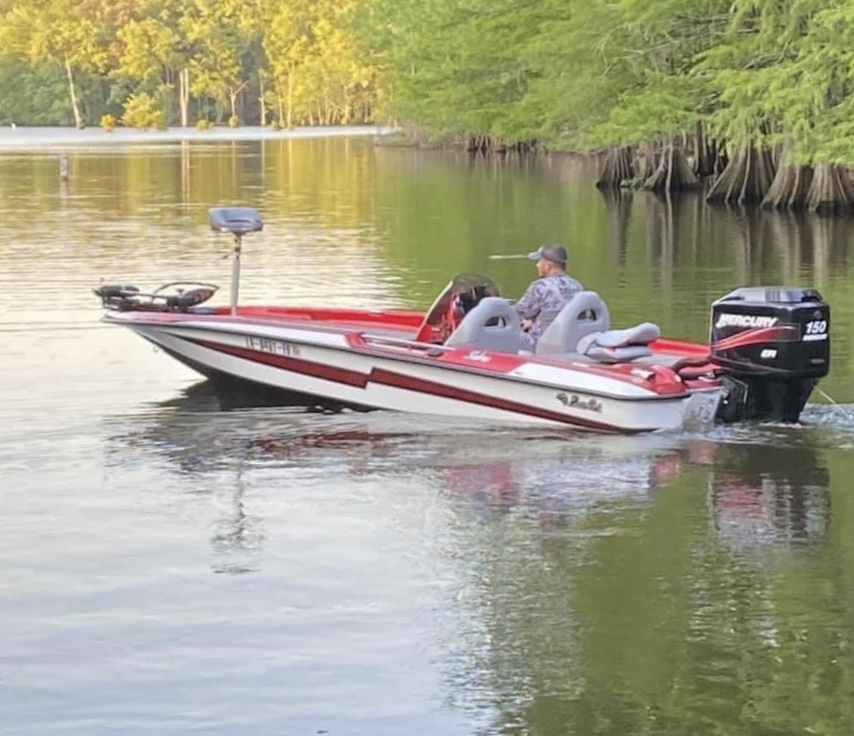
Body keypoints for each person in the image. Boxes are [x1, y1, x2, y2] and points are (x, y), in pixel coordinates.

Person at [515, 243, 584, 351]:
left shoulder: (541, 287)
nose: (537, 265)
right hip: (568, 342)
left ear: (548, 265)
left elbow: (517, 314)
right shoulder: (577, 286)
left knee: (504, 333)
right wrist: (533, 322)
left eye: (539, 261)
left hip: (542, 344)